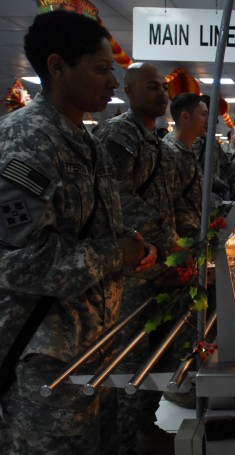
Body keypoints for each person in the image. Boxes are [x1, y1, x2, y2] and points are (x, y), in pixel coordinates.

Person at [0, 10, 154, 455]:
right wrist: (114, 254)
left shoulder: (86, 141)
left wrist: (139, 253)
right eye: (102, 69)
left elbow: (107, 227)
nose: (112, 82)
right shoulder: (25, 142)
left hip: (92, 349)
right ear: (57, 67)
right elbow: (15, 261)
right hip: (43, 361)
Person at [93, 62, 180, 455]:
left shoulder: (153, 139)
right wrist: (162, 235)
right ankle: (124, 443)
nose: (162, 94)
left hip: (159, 265)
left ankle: (148, 428)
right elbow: (115, 197)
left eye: (163, 88)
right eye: (151, 87)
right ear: (128, 91)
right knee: (128, 362)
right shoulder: (120, 134)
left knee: (154, 358)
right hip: (134, 271)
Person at [163, 92, 209, 239]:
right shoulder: (169, 152)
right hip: (182, 240)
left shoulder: (188, 149)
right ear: (185, 116)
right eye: (203, 114)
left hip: (195, 234)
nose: (208, 120)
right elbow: (168, 205)